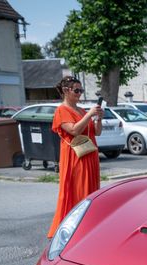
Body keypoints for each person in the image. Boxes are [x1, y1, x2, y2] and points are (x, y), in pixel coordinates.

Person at [47, 76, 102, 238]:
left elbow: (96, 132)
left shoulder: (82, 110)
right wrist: (89, 114)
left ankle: (87, 224)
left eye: (81, 90)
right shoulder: (62, 111)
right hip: (75, 158)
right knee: (77, 190)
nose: (79, 94)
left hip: (90, 155)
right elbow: (74, 130)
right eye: (76, 90)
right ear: (66, 91)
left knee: (90, 191)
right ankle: (72, 228)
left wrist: (98, 118)